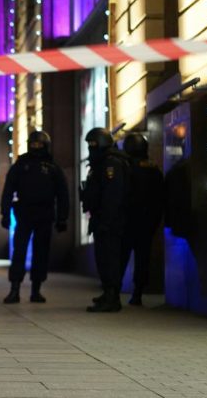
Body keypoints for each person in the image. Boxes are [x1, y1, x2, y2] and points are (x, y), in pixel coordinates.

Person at [0, 131, 69, 304]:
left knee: (41, 252)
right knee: (19, 252)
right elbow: (8, 190)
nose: (36, 148)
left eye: (40, 145)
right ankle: (14, 289)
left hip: (45, 214)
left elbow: (63, 195)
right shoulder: (21, 164)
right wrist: (5, 213)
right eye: (34, 144)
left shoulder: (53, 167)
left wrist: (62, 218)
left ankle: (36, 290)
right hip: (24, 213)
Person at [80, 128, 130, 313]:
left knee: (109, 259)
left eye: (93, 144)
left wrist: (106, 221)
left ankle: (112, 297)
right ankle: (108, 293)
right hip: (102, 218)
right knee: (103, 258)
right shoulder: (100, 163)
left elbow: (112, 195)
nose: (91, 148)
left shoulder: (111, 163)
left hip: (110, 220)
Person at [119, 133, 163, 306]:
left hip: (128, 220)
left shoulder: (125, 167)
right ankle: (137, 293)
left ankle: (114, 290)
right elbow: (160, 197)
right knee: (143, 258)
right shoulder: (153, 168)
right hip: (146, 221)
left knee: (121, 256)